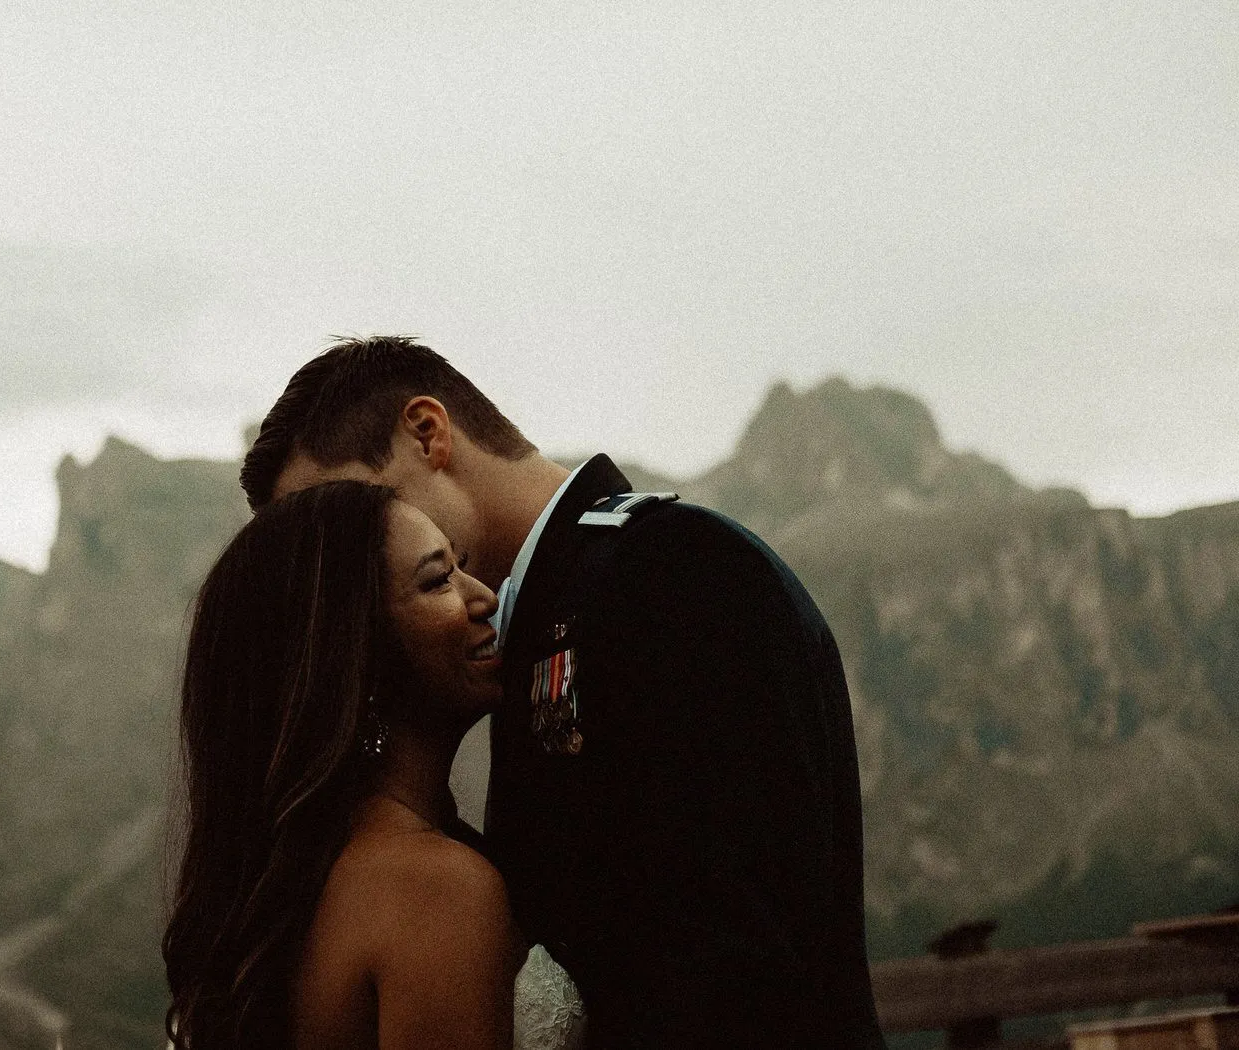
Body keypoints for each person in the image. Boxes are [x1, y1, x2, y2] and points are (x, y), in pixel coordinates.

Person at [240, 337, 886, 1048]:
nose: (337, 558)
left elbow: (733, 962)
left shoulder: (673, 573)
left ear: (427, 432)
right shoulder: (551, 608)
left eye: (349, 509)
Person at [163, 480, 586, 1049]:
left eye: (461, 567)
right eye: (438, 580)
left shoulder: (293, 882)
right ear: (353, 656)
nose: (485, 596)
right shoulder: (433, 889)